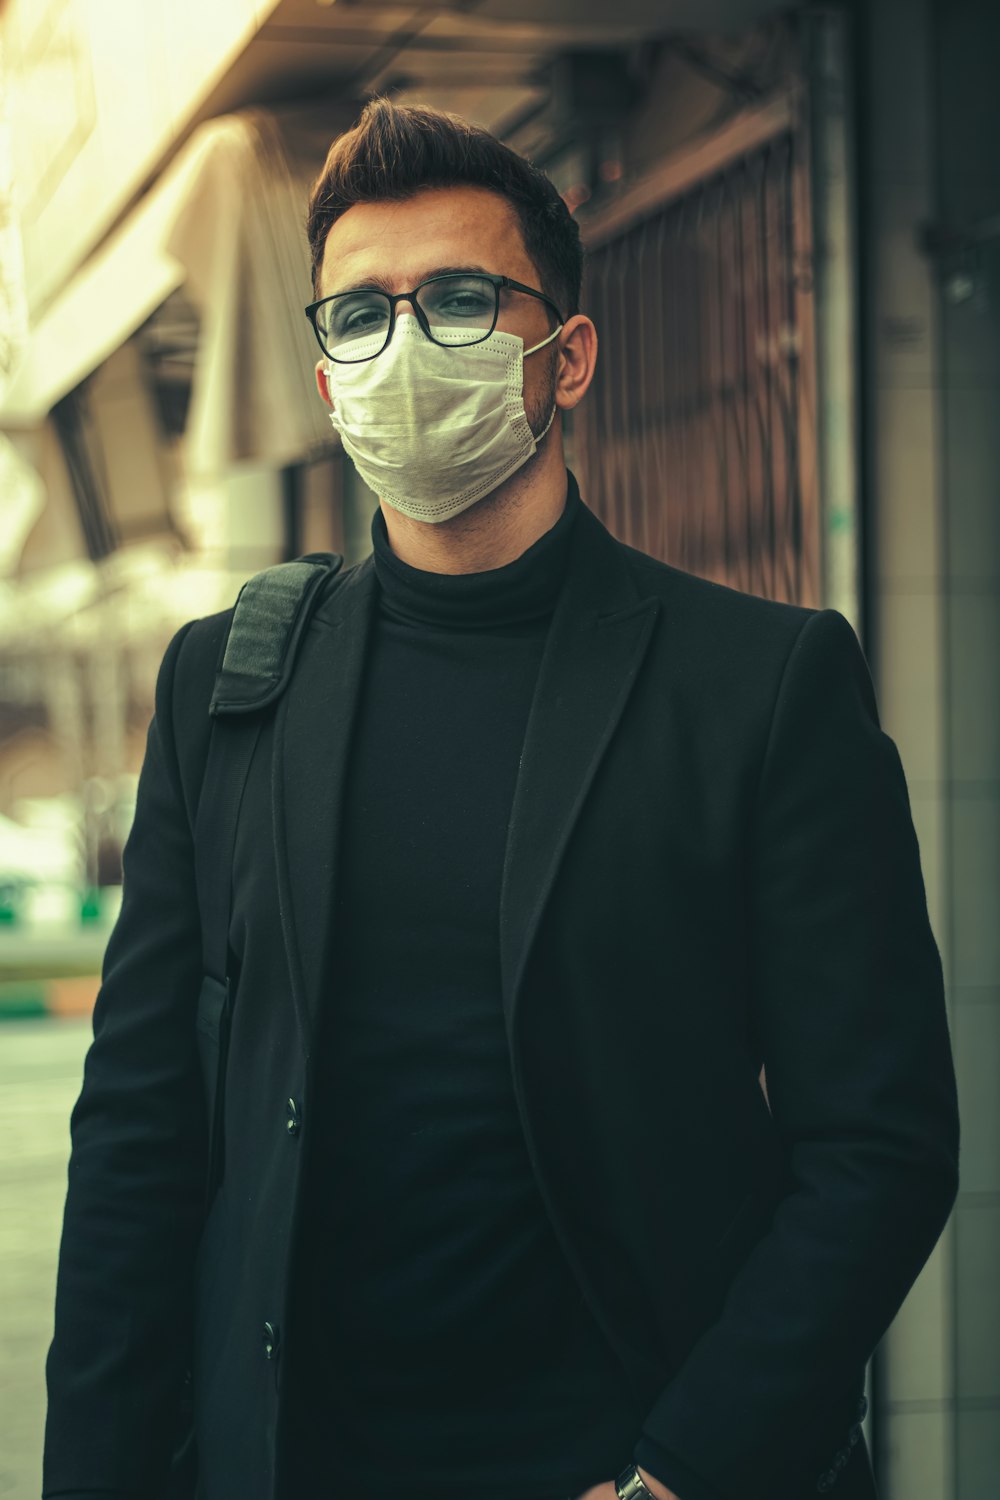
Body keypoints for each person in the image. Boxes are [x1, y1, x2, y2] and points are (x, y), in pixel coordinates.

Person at [42, 98, 960, 1500]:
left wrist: (685, 1472)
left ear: (567, 354)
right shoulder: (225, 690)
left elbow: (882, 1145)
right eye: (358, 314)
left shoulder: (760, 688)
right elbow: (139, 1137)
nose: (403, 347)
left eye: (459, 300)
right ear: (325, 368)